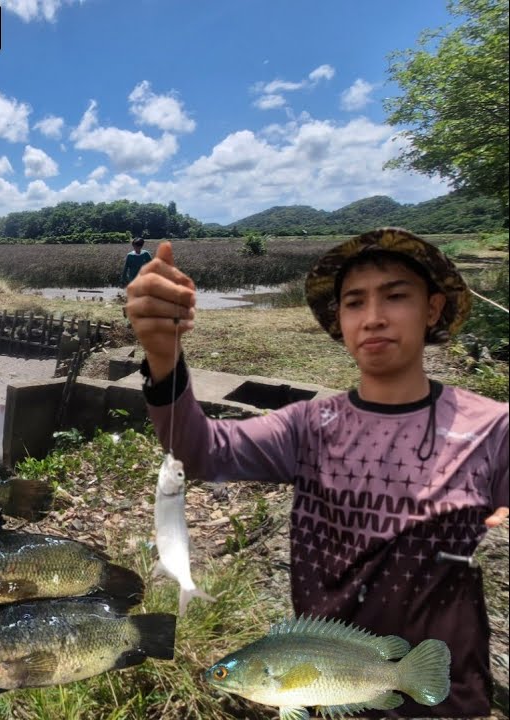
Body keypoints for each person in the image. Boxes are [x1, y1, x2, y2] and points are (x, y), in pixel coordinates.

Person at [126, 228, 508, 717]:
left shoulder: (492, 428)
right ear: (339, 319)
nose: (373, 318)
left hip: (447, 692)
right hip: (325, 689)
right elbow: (200, 452)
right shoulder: (308, 426)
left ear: (432, 309)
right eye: (354, 302)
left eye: (395, 296)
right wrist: (164, 357)